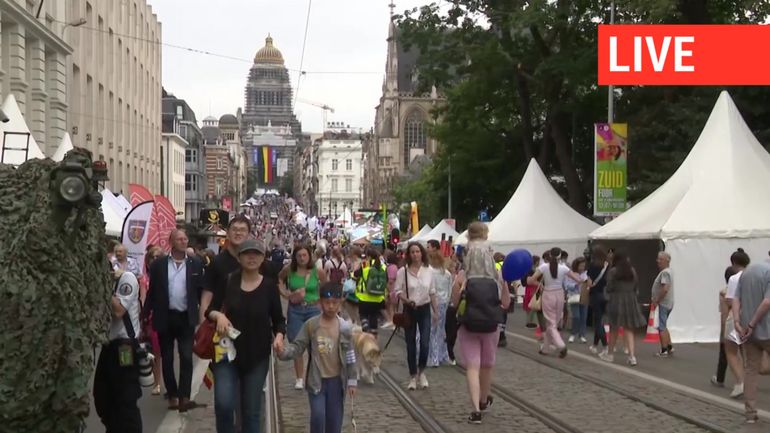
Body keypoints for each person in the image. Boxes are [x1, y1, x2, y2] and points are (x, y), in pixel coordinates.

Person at [205, 239, 287, 433]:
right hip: (227, 353)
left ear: (262, 258)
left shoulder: (269, 287)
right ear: (239, 257)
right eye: (247, 253)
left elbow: (278, 320)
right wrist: (219, 316)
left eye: (256, 254)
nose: (252, 257)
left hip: (256, 355)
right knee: (224, 405)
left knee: (251, 411)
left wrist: (279, 336)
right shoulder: (228, 281)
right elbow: (210, 309)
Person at [276, 282, 358, 433]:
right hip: (317, 381)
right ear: (320, 303)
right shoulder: (311, 325)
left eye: (335, 303)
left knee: (334, 421)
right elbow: (297, 347)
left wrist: (352, 380)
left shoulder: (344, 328)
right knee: (318, 416)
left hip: (337, 382)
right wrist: (282, 352)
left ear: (340, 303)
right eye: (327, 303)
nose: (331, 307)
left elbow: (350, 355)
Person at [451, 222, 510, 424]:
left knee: (473, 367)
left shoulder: (462, 276)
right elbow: (506, 303)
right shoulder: (497, 276)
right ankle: (484, 400)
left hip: (468, 325)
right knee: (487, 365)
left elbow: (454, 302)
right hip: (491, 325)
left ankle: (475, 409)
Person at [146, 229, 205, 411]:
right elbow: (153, 292)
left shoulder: (195, 264)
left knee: (187, 356)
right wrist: (144, 316)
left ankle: (184, 396)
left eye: (185, 238)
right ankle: (172, 394)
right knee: (167, 358)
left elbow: (202, 291)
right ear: (171, 241)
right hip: (165, 316)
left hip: (186, 317)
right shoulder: (159, 265)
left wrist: (204, 313)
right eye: (179, 238)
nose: (183, 241)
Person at [93, 269, 143, 433]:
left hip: (125, 346)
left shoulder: (126, 279)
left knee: (126, 397)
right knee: (102, 394)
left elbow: (119, 310)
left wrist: (103, 285)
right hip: (109, 344)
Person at [279, 244, 327, 390]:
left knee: (315, 344)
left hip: (313, 309)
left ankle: (315, 375)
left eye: (304, 255)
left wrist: (320, 301)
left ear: (309, 256)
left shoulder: (317, 271)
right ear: (295, 257)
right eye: (299, 255)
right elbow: (279, 280)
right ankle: (299, 378)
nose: (302, 258)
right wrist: (286, 294)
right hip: (295, 310)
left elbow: (325, 286)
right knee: (296, 343)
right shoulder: (289, 270)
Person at [394, 242, 438, 390]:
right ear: (408, 254)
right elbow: (397, 291)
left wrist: (436, 311)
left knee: (425, 343)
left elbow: (432, 292)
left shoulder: (429, 270)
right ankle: (413, 376)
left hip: (424, 309)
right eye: (412, 252)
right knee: (411, 344)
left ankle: (422, 372)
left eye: (417, 251)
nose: (415, 254)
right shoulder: (403, 271)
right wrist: (407, 300)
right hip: (409, 309)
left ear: (422, 253)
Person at [732, 260, 770, 425]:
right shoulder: (768, 273)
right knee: (755, 369)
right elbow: (767, 302)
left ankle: (750, 413)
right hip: (766, 329)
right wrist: (753, 323)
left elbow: (736, 298)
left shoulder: (748, 271)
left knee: (751, 370)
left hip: (748, 333)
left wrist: (737, 321)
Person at [527, 247, 580, 358]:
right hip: (560, 295)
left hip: (548, 294)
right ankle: (545, 349)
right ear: (560, 256)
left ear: (549, 255)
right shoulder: (564, 268)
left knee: (550, 324)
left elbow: (531, 280)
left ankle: (561, 346)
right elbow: (578, 279)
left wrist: (539, 284)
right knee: (553, 323)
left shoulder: (543, 267)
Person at [712, 249, 749, 398]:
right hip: (752, 317)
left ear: (733, 263)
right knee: (747, 352)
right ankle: (747, 381)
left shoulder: (734, 279)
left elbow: (731, 300)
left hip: (736, 318)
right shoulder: (756, 275)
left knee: (731, 352)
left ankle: (740, 382)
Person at [599, 251, 646, 366]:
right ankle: (632, 356)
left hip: (616, 300)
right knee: (629, 328)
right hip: (630, 300)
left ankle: (610, 354)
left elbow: (609, 287)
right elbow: (636, 286)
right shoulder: (632, 271)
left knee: (614, 328)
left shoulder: (613, 271)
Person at [142, 246, 164, 396]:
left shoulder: (165, 277)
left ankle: (159, 382)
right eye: (152, 257)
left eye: (158, 257)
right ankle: (151, 379)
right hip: (148, 318)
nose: (155, 260)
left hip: (161, 318)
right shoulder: (144, 279)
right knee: (149, 351)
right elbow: (143, 299)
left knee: (159, 353)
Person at [354, 248, 387, 334]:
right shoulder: (383, 265)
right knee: (374, 316)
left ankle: (365, 328)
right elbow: (386, 279)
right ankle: (373, 336)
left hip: (365, 297)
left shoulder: (365, 264)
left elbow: (355, 275)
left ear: (368, 256)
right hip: (378, 297)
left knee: (363, 314)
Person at [428, 251, 452, 367]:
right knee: (441, 330)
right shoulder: (447, 273)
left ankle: (434, 358)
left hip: (433, 303)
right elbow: (449, 291)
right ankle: (442, 355)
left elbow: (429, 289)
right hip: (443, 303)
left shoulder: (430, 273)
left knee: (431, 331)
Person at [586, 245, 610, 354]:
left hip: (595, 294)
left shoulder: (592, 266)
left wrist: (587, 286)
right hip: (605, 295)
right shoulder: (607, 265)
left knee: (598, 322)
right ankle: (595, 345)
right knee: (599, 320)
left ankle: (605, 346)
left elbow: (590, 283)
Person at [651, 251, 675, 357]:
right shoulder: (668, 271)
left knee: (661, 326)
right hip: (667, 302)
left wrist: (657, 300)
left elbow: (665, 288)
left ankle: (664, 349)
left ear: (667, 261)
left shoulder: (665, 273)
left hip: (664, 303)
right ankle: (669, 346)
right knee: (664, 325)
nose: (658, 261)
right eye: (658, 259)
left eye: (660, 259)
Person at [565, 257, 590, 344]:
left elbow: (590, 283)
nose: (582, 267)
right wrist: (575, 285)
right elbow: (566, 285)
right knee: (576, 316)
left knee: (583, 317)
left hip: (584, 297)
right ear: (576, 265)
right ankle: (573, 333)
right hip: (574, 296)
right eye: (581, 265)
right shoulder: (571, 273)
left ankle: (582, 335)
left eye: (584, 265)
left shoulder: (587, 273)